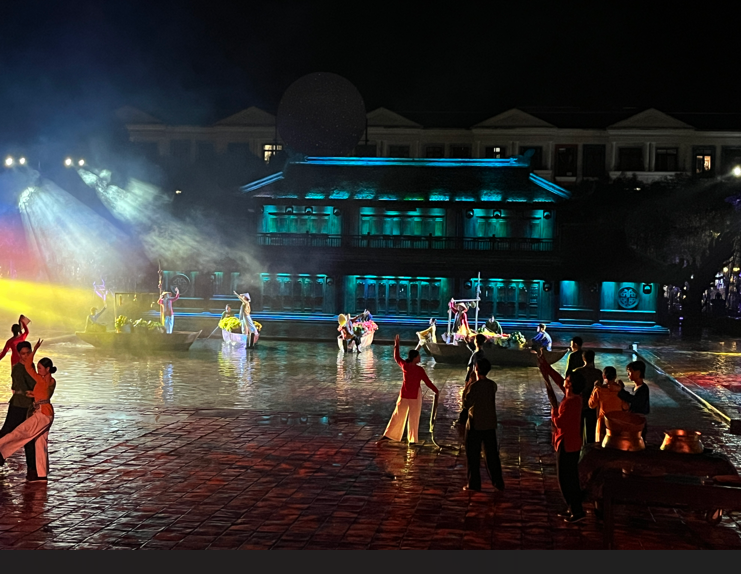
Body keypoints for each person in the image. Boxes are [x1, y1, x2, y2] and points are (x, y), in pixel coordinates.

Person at [538, 354, 587, 524]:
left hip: (567, 444)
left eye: (568, 380)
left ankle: (576, 510)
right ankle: (573, 508)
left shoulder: (570, 402)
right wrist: (547, 367)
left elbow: (560, 422)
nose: (565, 380)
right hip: (570, 443)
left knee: (565, 479)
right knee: (570, 477)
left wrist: (553, 411)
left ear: (571, 384)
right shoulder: (574, 397)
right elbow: (559, 381)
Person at [0, 347, 56, 482]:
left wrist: (35, 350)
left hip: (42, 414)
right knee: (40, 443)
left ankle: (0, 450)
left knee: (20, 433)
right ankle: (41, 475)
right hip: (47, 412)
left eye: (40, 368)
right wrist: (34, 394)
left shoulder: (40, 380)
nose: (38, 370)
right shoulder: (51, 381)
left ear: (47, 369)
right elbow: (43, 393)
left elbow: (28, 367)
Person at [378, 334, 439, 445]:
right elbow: (428, 382)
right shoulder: (419, 370)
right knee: (414, 418)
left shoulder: (405, 366)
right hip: (415, 396)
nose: (420, 358)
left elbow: (397, 357)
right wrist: (436, 391)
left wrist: (396, 345)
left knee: (398, 415)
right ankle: (412, 439)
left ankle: (389, 435)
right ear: (414, 358)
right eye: (418, 357)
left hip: (405, 394)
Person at [0, 340, 41, 480]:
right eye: (23, 354)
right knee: (7, 431)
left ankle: (32, 468)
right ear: (18, 354)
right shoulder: (18, 368)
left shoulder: (31, 366)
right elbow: (23, 387)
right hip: (18, 405)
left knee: (29, 436)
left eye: (28, 353)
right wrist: (33, 393)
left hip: (29, 406)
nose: (26, 356)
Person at [462, 358, 504, 492]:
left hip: (475, 424)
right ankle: (498, 482)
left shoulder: (474, 386)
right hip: (490, 423)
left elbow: (466, 403)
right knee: (492, 455)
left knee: (473, 455)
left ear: (476, 369)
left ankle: (474, 483)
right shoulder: (492, 385)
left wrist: (468, 385)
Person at [454, 333, 488, 428]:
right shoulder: (478, 351)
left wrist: (471, 380)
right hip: (471, 376)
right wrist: (466, 341)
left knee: (467, 397)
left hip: (471, 376)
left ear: (476, 341)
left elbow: (475, 367)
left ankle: (464, 418)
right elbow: (472, 349)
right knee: (467, 396)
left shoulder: (478, 354)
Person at [588, 366, 628, 443]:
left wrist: (594, 389)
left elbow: (591, 405)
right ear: (615, 377)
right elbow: (626, 407)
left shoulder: (599, 390)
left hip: (603, 423)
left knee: (602, 445)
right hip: (617, 422)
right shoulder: (619, 391)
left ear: (603, 376)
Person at [573, 349, 602, 445]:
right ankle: (590, 448)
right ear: (593, 359)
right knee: (591, 429)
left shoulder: (577, 372)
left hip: (579, 403)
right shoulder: (598, 373)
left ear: (583, 359)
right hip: (593, 404)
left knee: (578, 429)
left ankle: (578, 447)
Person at [618, 360, 650, 440]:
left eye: (630, 372)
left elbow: (635, 401)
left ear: (638, 373)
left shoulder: (643, 389)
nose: (628, 375)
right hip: (634, 420)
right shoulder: (635, 388)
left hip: (639, 421)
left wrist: (621, 391)